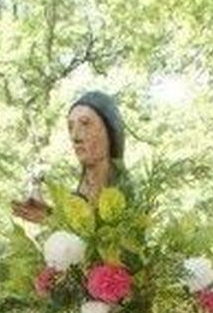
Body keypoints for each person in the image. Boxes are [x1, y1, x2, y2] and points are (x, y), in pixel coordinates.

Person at [11, 90, 131, 224]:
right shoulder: (76, 199)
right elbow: (80, 231)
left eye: (85, 123)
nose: (75, 136)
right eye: (70, 127)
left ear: (110, 131)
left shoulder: (130, 194)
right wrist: (48, 217)